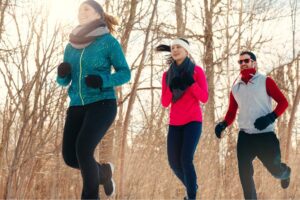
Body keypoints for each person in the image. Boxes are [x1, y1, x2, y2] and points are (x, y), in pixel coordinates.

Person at [56, 0, 130, 199]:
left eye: (86, 9)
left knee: (83, 149)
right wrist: (62, 75)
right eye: (79, 10)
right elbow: (64, 81)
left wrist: (102, 80)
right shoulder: (71, 46)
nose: (81, 12)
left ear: (98, 14)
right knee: (70, 157)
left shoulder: (108, 42)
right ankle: (104, 172)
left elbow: (125, 73)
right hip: (77, 105)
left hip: (102, 103)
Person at [215, 51, 291, 199]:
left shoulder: (265, 81)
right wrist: (223, 124)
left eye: (246, 61)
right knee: (244, 174)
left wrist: (270, 117)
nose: (243, 64)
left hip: (265, 135)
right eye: (240, 62)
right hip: (245, 137)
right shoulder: (236, 87)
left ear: (254, 62)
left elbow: (283, 102)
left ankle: (285, 173)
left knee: (275, 170)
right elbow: (232, 111)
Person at [157, 38, 208, 200]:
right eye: (173, 47)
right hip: (175, 124)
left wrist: (191, 83)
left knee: (186, 159)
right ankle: (192, 186)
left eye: (179, 47)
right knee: (173, 163)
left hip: (193, 122)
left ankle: (191, 196)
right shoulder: (167, 75)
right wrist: (172, 88)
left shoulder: (196, 71)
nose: (175, 49)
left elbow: (204, 98)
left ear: (187, 51)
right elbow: (165, 103)